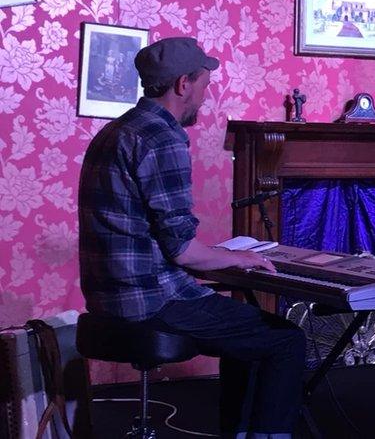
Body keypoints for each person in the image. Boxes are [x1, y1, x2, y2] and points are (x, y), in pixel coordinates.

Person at [78, 37, 306, 439]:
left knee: (245, 339)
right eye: (204, 83)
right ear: (183, 84)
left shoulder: (114, 132)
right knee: (286, 341)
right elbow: (183, 252)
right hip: (150, 300)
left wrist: (220, 255)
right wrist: (239, 258)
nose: (206, 93)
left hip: (107, 297)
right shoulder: (161, 137)